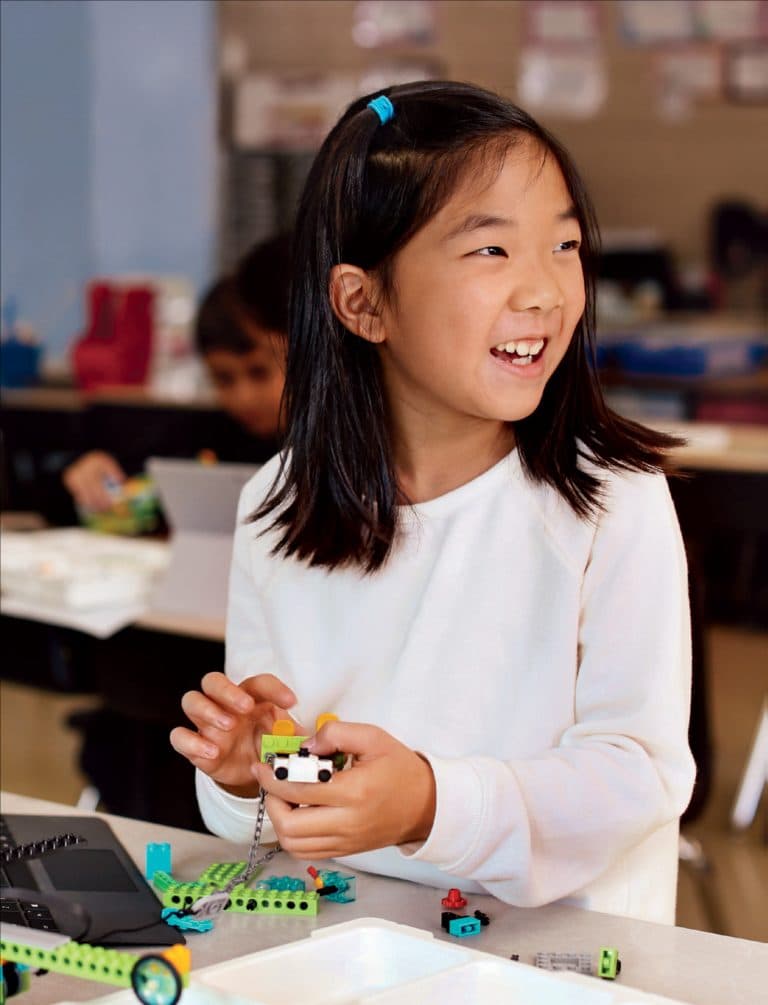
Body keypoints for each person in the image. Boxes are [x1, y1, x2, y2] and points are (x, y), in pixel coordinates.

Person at [170, 82, 695, 924]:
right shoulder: (278, 503)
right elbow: (291, 803)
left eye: (564, 245)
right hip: (347, 943)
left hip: (560, 957)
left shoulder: (612, 501)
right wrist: (249, 775)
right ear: (363, 302)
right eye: (492, 251)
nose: (546, 292)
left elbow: (639, 774)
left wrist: (430, 804)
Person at [61, 234, 291, 513]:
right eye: (223, 378)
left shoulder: (327, 449)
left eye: (259, 373)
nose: (243, 397)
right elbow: (141, 470)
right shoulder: (212, 436)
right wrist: (94, 467)